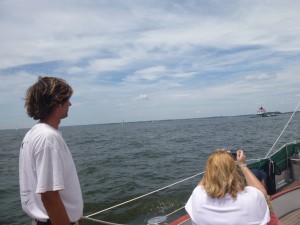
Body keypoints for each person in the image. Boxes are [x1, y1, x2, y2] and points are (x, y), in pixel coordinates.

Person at [19, 76, 83, 225]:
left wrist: (74, 213)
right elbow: (49, 196)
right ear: (56, 102)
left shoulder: (33, 134)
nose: (70, 103)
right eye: (66, 99)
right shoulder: (48, 138)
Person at [185, 150, 270, 225]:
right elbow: (262, 192)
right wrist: (242, 164)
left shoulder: (198, 196)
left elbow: (201, 186)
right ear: (234, 171)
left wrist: (214, 164)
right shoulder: (250, 197)